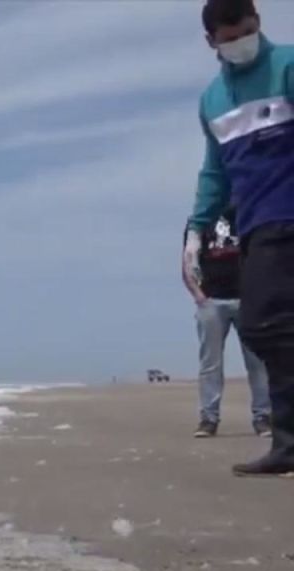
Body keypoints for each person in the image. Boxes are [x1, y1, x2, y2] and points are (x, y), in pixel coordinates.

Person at [186, 0, 294, 476]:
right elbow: (215, 172)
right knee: (264, 328)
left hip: (286, 214)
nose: (240, 44)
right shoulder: (213, 99)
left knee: (267, 326)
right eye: (229, 38)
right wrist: (196, 228)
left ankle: (288, 441)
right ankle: (288, 443)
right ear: (212, 42)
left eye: (246, 32)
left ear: (259, 24)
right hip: (252, 224)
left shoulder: (287, 65)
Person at [181, 205, 271, 438]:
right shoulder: (200, 221)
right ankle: (208, 418)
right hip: (212, 300)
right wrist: (198, 296)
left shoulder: (250, 213)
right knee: (211, 363)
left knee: (257, 362)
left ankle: (263, 417)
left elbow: (263, 257)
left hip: (247, 299)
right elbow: (188, 260)